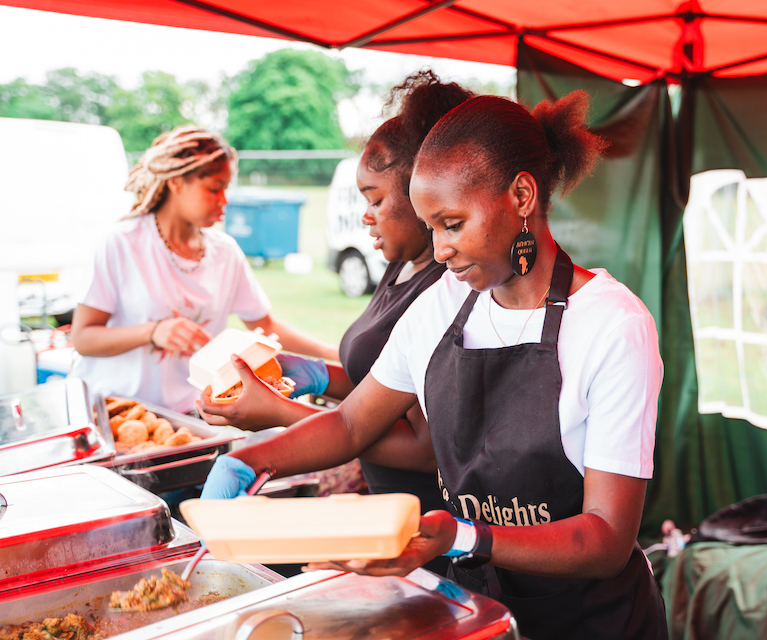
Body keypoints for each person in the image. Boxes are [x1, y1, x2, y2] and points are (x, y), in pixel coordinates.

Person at [200, 91, 667, 640]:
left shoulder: (612, 326)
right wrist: (252, 461)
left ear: (520, 195)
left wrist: (466, 536)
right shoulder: (443, 305)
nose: (440, 250)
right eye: (431, 226)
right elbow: (353, 422)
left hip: (591, 622)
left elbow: (606, 540)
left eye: (452, 223)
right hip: (482, 611)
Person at [197, 72, 474, 574]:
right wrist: (315, 372)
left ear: (421, 192)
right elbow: (389, 383)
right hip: (382, 511)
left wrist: (280, 413)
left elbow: (420, 444)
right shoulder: (400, 266)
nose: (365, 217)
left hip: (422, 528)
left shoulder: (446, 289)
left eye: (375, 200)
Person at [71, 126, 345, 414]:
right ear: (176, 182)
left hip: (191, 415)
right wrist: (153, 332)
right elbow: (84, 338)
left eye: (227, 188)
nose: (224, 200)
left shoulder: (225, 252)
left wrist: (333, 355)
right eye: (215, 188)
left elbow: (265, 326)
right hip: (118, 413)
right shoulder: (121, 244)